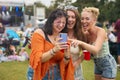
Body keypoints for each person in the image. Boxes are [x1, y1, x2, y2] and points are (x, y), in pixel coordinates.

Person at [69, 7, 117, 80]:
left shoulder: (101, 31)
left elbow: (95, 50)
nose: (84, 21)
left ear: (94, 20)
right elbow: (85, 51)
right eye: (82, 19)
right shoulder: (85, 34)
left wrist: (81, 43)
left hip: (107, 64)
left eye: (87, 19)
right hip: (97, 64)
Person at [27, 9, 74, 80]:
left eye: (63, 23)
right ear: (51, 21)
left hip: (56, 74)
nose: (61, 25)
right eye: (58, 22)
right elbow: (38, 59)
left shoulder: (63, 37)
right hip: (40, 73)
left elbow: (63, 62)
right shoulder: (39, 33)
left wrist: (67, 56)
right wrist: (54, 50)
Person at [64, 5, 86, 80]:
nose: (70, 19)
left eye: (73, 17)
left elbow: (85, 52)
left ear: (76, 19)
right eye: (67, 17)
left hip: (76, 72)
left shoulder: (80, 34)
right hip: (61, 70)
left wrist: (77, 62)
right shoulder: (59, 32)